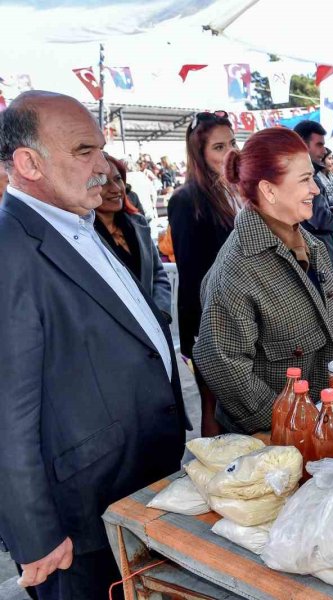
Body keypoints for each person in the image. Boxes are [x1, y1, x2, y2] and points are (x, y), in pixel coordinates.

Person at [0, 90, 187, 598]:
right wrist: (34, 533)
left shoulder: (74, 221)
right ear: (28, 163)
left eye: (101, 149)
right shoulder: (11, 249)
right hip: (78, 518)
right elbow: (6, 411)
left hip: (135, 478)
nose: (102, 166)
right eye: (84, 151)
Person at [194, 128, 333, 434]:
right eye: (305, 180)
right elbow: (223, 365)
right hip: (278, 443)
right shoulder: (237, 270)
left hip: (327, 421)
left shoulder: (313, 246)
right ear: (269, 190)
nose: (316, 190)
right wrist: (293, 424)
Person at [168, 110, 239, 436]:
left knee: (238, 404)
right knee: (212, 405)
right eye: (219, 147)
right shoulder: (187, 199)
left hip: (245, 310)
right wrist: (196, 332)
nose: (230, 153)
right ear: (200, 152)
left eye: (233, 143)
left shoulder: (239, 190)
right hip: (212, 317)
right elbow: (191, 270)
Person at [95, 153, 172, 320]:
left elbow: (158, 274)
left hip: (153, 327)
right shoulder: (84, 236)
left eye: (118, 179)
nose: (115, 188)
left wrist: (161, 313)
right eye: (104, 182)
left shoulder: (138, 224)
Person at [293, 121, 333, 262]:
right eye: (319, 145)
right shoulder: (299, 176)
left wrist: (331, 209)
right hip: (317, 254)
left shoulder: (312, 174)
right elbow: (318, 219)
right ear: (303, 145)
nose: (324, 151)